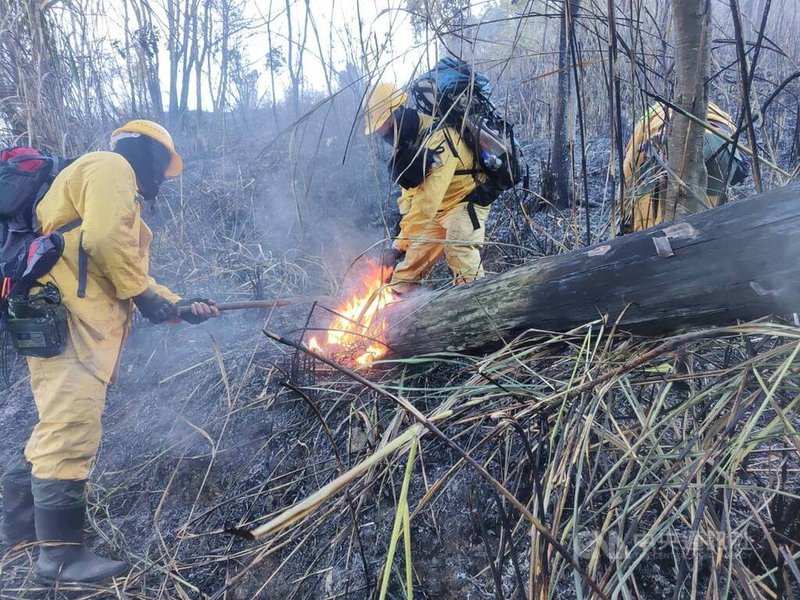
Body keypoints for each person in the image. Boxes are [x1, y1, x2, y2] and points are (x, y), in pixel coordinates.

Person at [0, 120, 219, 584]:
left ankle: (22, 532)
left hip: (76, 322)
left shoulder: (117, 198)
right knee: (69, 428)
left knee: (57, 425)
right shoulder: (110, 165)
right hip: (70, 321)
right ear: (147, 154)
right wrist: (145, 296)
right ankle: (60, 561)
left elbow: (121, 264)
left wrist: (178, 306)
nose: (161, 178)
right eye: (162, 166)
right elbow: (103, 245)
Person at [364, 82, 489, 294]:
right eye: (379, 130)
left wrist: (397, 248)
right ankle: (399, 317)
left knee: (458, 250)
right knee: (406, 273)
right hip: (436, 212)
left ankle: (479, 307)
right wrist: (400, 242)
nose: (383, 134)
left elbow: (427, 200)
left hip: (465, 202)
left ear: (398, 113)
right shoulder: (410, 142)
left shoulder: (440, 137)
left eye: (384, 126)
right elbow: (410, 196)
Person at [619, 101, 749, 233]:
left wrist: (625, 219)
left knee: (652, 221)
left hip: (671, 145)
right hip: (723, 142)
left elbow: (628, 175)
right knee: (710, 214)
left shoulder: (642, 128)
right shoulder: (709, 105)